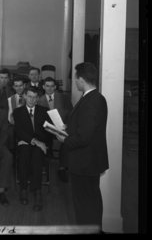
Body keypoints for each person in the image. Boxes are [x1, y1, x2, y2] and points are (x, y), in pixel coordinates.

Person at [55, 62, 108, 230]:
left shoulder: (90, 102)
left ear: (82, 79)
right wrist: (68, 128)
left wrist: (64, 139)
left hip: (84, 161)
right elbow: (88, 127)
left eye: (76, 78)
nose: (75, 81)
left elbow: (84, 137)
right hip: (90, 160)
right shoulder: (97, 97)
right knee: (91, 200)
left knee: (84, 204)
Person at [13, 86, 54, 212]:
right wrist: (34, 140)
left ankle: (37, 192)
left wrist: (37, 141)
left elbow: (48, 132)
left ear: (37, 98)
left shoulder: (44, 111)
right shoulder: (18, 112)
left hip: (40, 144)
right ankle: (24, 189)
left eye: (34, 97)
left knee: (37, 155)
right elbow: (19, 131)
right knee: (24, 153)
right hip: (27, 143)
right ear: (24, 96)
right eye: (29, 96)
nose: (31, 100)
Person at [38, 77, 73, 182]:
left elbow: (71, 113)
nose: (49, 88)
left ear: (55, 87)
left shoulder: (63, 98)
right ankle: (45, 161)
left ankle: (62, 167)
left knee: (66, 140)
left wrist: (67, 125)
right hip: (46, 130)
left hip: (61, 128)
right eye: (47, 86)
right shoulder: (39, 100)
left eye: (52, 86)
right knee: (43, 139)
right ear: (43, 87)